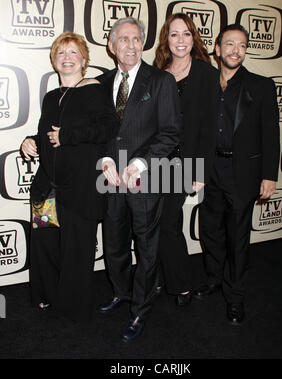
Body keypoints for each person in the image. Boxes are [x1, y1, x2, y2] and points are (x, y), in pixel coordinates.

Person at [20, 32, 119, 321]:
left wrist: (69, 136)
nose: (67, 57)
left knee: (77, 249)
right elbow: (45, 134)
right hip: (47, 188)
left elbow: (108, 128)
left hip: (81, 188)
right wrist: (30, 141)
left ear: (84, 60)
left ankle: (72, 306)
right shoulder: (51, 96)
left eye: (73, 52)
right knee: (45, 243)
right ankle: (47, 295)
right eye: (61, 52)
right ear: (54, 60)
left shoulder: (94, 90)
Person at [96, 17, 181, 342]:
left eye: (136, 39)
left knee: (146, 248)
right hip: (109, 178)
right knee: (114, 242)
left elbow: (171, 132)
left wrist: (141, 164)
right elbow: (99, 133)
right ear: (111, 45)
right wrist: (104, 160)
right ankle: (121, 292)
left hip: (145, 179)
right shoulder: (100, 84)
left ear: (142, 44)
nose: (130, 45)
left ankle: (140, 309)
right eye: (123, 39)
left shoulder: (160, 80)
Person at [196, 24, 280, 324]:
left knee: (237, 237)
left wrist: (270, 176)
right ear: (217, 49)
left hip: (242, 171)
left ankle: (235, 297)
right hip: (210, 169)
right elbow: (197, 132)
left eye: (242, 45)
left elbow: (271, 134)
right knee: (211, 231)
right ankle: (214, 278)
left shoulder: (261, 86)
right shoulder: (204, 84)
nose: (236, 50)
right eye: (229, 44)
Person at [153, 13, 219, 305]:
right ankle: (156, 276)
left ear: (194, 38)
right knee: (151, 221)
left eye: (186, 34)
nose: (180, 40)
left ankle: (181, 285)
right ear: (166, 39)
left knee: (168, 221)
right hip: (155, 158)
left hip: (185, 162)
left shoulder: (205, 73)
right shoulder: (158, 70)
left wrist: (200, 169)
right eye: (174, 34)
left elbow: (209, 125)